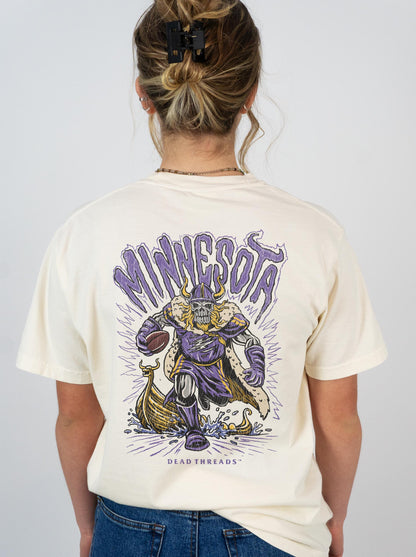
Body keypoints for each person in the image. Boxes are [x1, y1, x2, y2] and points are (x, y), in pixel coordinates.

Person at [16, 1, 388, 556]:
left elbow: (74, 417)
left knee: (229, 388)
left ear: (145, 93)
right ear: (249, 92)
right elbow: (339, 418)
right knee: (189, 382)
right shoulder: (317, 235)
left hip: (131, 527)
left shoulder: (82, 235)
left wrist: (91, 529)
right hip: (277, 532)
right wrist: (333, 523)